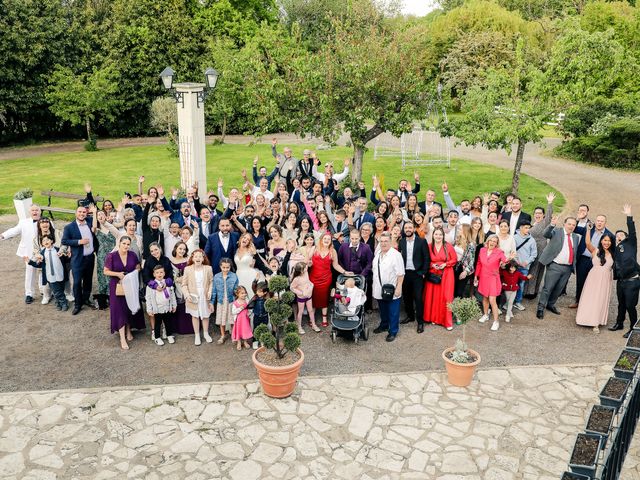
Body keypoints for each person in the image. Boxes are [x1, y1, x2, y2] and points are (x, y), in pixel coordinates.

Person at [104, 236, 145, 350]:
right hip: (117, 286)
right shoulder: (111, 256)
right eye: (124, 244)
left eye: (128, 244)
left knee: (128, 309)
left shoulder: (132, 255)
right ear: (119, 243)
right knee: (119, 311)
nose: (126, 246)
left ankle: (128, 331)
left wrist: (133, 274)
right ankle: (122, 338)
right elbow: (105, 271)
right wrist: (118, 274)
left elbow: (138, 266)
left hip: (130, 285)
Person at [536, 217, 580, 319]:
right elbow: (546, 234)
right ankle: (540, 308)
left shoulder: (575, 237)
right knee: (548, 288)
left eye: (574, 225)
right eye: (569, 224)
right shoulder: (556, 231)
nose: (571, 227)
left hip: (567, 268)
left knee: (559, 289)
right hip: (555, 265)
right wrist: (552, 225)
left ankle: (550, 305)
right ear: (564, 224)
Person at [576, 225, 615, 333]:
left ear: (612, 242)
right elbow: (587, 243)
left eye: (609, 241)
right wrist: (588, 230)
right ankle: (584, 318)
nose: (606, 242)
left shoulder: (613, 254)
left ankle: (596, 323)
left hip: (605, 280)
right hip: (593, 278)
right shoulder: (595, 251)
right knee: (590, 297)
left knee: (600, 299)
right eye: (605, 240)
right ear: (601, 241)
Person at [1, 204, 44, 304]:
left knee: (43, 271)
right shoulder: (23, 222)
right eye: (33, 210)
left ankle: (44, 291)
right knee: (30, 272)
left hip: (42, 251)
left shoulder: (46, 221)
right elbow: (14, 230)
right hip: (28, 251)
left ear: (40, 211)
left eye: (37, 210)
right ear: (30, 212)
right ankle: (29, 294)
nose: (35, 212)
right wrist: (3, 235)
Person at [609, 205, 640, 337]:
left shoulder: (631, 243)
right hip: (621, 281)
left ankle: (633, 328)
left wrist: (629, 216)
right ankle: (619, 323)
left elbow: (632, 231)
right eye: (616, 235)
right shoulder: (616, 249)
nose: (618, 236)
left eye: (621, 234)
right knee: (621, 303)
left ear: (626, 236)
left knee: (630, 305)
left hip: (632, 280)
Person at [308, 233, 351, 327]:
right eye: (325, 238)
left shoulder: (333, 251)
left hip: (326, 278)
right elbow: (307, 261)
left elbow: (335, 265)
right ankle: (312, 317)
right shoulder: (314, 249)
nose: (327, 240)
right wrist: (309, 263)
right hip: (313, 278)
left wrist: (344, 272)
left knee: (324, 298)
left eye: (329, 239)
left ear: (331, 241)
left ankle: (324, 317)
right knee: (313, 298)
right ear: (321, 239)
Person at [570, 214, 612, 308]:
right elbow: (574, 228)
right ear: (595, 221)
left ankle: (588, 302)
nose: (599, 223)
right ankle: (578, 301)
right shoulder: (588, 229)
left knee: (593, 282)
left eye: (602, 221)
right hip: (583, 259)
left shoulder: (609, 235)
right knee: (580, 281)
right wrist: (578, 219)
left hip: (596, 263)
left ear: (605, 223)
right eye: (598, 220)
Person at [62, 206, 97, 315]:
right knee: (77, 282)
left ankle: (86, 299)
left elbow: (97, 221)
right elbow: (64, 240)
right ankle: (78, 304)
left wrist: (95, 212)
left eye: (84, 212)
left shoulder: (90, 221)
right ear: (76, 213)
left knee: (88, 280)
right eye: (80, 212)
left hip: (90, 257)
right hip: (77, 259)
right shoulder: (69, 227)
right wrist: (79, 242)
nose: (82, 214)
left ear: (87, 213)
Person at [372, 232, 405, 342]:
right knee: (383, 309)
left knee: (393, 311)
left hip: (392, 289)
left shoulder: (396, 255)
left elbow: (401, 273)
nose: (383, 243)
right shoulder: (378, 253)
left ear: (390, 242)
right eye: (381, 241)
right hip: (379, 288)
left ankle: (393, 331)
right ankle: (384, 325)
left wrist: (399, 287)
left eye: (386, 241)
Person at [423, 227, 457, 330]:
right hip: (433, 275)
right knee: (433, 296)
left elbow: (454, 259)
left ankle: (447, 322)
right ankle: (434, 318)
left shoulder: (448, 246)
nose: (438, 236)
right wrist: (432, 265)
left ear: (443, 236)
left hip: (447, 274)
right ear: (433, 235)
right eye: (436, 234)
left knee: (446, 297)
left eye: (440, 234)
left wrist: (445, 264)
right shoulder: (429, 246)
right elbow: (425, 260)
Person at [398, 222, 429, 332]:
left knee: (418, 298)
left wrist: (423, 272)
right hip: (405, 273)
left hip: (417, 274)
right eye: (406, 228)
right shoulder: (401, 242)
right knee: (406, 297)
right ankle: (410, 316)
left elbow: (426, 258)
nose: (408, 229)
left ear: (413, 229)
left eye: (410, 227)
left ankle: (420, 322)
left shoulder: (421, 241)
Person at [475, 234, 509, 331]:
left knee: (492, 300)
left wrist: (508, 259)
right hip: (483, 277)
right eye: (491, 240)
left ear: (497, 243)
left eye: (495, 241)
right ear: (488, 241)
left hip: (493, 279)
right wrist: (476, 276)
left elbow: (504, 260)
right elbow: (479, 263)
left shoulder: (499, 252)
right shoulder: (482, 250)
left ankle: (496, 322)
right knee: (485, 298)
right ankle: (485, 315)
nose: (493, 242)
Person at [524, 193, 555, 299]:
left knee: (536, 271)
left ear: (543, 215)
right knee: (530, 270)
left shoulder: (544, 223)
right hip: (530, 251)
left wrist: (550, 203)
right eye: (536, 213)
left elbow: (550, 215)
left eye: (540, 213)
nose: (537, 215)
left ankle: (531, 292)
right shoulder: (533, 224)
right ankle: (528, 290)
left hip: (540, 250)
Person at [28, 235, 69, 311]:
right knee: (56, 291)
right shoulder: (42, 253)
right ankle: (64, 303)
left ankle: (58, 303)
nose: (46, 242)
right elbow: (39, 264)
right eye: (43, 241)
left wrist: (68, 256)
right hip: (50, 275)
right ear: (42, 244)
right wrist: (30, 262)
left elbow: (65, 260)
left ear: (52, 241)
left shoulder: (58, 250)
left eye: (47, 240)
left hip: (60, 274)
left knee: (60, 289)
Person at [182, 249, 214, 346]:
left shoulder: (208, 268)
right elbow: (184, 284)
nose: (198, 258)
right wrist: (187, 295)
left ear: (203, 258)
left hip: (205, 295)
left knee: (205, 315)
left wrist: (209, 291)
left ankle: (205, 333)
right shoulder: (187, 269)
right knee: (195, 315)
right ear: (192, 258)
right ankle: (197, 335)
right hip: (193, 296)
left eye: (200, 256)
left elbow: (211, 281)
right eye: (196, 256)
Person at [145, 265, 177, 346]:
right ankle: (157, 337)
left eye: (161, 272)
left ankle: (168, 335)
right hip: (157, 308)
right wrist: (149, 309)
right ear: (154, 274)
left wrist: (174, 305)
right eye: (157, 272)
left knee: (168, 322)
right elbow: (148, 298)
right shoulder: (151, 286)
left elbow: (172, 295)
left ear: (164, 273)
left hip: (167, 307)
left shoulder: (168, 283)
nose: (159, 274)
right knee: (157, 323)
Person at [92, 208, 116, 310]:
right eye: (99, 215)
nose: (100, 216)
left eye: (102, 214)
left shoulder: (112, 227)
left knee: (112, 275)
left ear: (106, 216)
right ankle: (104, 298)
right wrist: (94, 213)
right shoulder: (97, 230)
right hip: (102, 255)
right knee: (103, 276)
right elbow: (93, 226)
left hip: (113, 254)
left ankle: (113, 297)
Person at [211, 258, 238, 344]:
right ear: (220, 267)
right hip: (221, 301)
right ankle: (222, 335)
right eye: (224, 267)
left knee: (231, 319)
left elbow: (236, 290)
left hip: (231, 301)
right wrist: (212, 302)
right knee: (221, 319)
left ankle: (233, 335)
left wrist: (237, 301)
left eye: (227, 267)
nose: (226, 269)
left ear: (230, 267)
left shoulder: (234, 276)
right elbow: (214, 290)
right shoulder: (216, 276)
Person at [512, 221, 537, 310]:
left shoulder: (531, 240)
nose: (527, 229)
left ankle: (518, 302)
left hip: (524, 267)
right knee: (511, 284)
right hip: (514, 266)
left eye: (528, 228)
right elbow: (511, 251)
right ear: (521, 227)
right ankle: (508, 302)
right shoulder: (514, 238)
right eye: (526, 227)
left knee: (521, 285)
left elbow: (534, 254)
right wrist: (516, 261)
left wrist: (527, 262)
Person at [289, 262, 319, 334]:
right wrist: (301, 293)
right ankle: (299, 327)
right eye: (305, 268)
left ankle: (314, 325)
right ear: (301, 271)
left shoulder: (306, 273)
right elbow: (292, 288)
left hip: (309, 295)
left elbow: (308, 280)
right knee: (301, 311)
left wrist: (311, 286)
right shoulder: (296, 279)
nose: (306, 268)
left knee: (310, 310)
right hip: (301, 297)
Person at [231, 286, 253, 350]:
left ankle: (245, 341)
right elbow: (233, 312)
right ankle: (239, 342)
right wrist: (241, 308)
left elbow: (250, 309)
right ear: (237, 294)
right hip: (239, 321)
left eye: (245, 293)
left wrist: (249, 313)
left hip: (245, 320)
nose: (244, 294)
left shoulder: (247, 301)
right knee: (239, 331)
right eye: (242, 293)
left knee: (245, 330)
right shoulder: (235, 303)